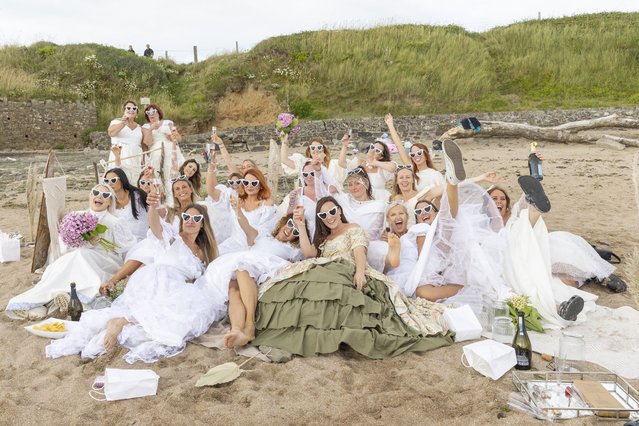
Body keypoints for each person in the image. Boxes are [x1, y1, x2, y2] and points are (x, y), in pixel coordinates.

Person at [251, 196, 453, 359]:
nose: (329, 217)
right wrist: (300, 226)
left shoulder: (352, 228)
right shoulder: (324, 238)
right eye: (324, 215)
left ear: (339, 210)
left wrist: (359, 272)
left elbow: (359, 251)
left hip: (346, 270)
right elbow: (310, 253)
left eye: (332, 211)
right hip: (326, 271)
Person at [46, 197, 222, 364]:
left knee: (179, 320)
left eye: (196, 218)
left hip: (178, 285)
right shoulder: (173, 237)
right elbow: (156, 227)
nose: (190, 221)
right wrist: (152, 206)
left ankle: (120, 324)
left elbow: (210, 275)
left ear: (203, 222)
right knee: (163, 309)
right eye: (186, 217)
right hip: (159, 278)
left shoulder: (204, 251)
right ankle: (121, 321)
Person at [403, 140, 509, 313]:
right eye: (419, 211)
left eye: (427, 208)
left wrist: (480, 178)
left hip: (443, 236)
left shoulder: (426, 196)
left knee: (447, 218)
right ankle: (472, 290)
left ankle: (452, 179)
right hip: (432, 261)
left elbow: (438, 195)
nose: (423, 211)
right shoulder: (405, 216)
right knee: (423, 292)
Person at [6, 184, 136, 319]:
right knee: (62, 266)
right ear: (90, 196)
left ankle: (69, 299)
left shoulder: (115, 222)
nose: (100, 196)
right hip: (78, 256)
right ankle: (45, 301)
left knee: (80, 257)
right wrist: (84, 241)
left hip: (105, 261)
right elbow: (67, 245)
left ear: (110, 202)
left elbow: (126, 249)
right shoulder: (78, 216)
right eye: (96, 192)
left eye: (105, 195)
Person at [489, 185, 627, 294]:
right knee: (560, 282)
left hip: (533, 247)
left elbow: (527, 198)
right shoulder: (483, 222)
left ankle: (600, 275)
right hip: (515, 260)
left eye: (502, 198)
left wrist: (534, 172)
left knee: (558, 259)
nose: (498, 201)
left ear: (507, 202)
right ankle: (588, 278)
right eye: (494, 199)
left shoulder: (514, 213)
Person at [199, 212, 306, 348]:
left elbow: (309, 253)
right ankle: (237, 330)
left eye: (295, 231)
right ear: (283, 223)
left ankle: (250, 326)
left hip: (264, 265)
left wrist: (302, 230)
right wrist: (237, 210)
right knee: (233, 289)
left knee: (242, 268)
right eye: (290, 224)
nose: (289, 230)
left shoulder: (292, 250)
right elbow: (246, 227)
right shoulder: (264, 236)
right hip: (246, 260)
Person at [386, 113, 445, 191]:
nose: (416, 156)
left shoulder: (435, 175)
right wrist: (390, 125)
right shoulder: (411, 171)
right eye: (412, 154)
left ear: (426, 154)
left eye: (419, 153)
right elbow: (399, 147)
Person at [142, 103, 184, 206]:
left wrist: (172, 137)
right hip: (156, 152)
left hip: (171, 149)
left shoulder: (168, 122)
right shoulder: (146, 127)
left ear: (158, 112)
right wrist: (151, 129)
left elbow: (178, 138)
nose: (151, 114)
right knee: (158, 174)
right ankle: (162, 200)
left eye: (154, 112)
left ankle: (175, 200)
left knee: (172, 172)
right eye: (148, 113)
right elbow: (147, 143)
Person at [338, 133, 396, 200]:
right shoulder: (359, 162)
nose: (373, 151)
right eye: (372, 147)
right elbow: (341, 163)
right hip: (360, 199)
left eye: (377, 151)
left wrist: (374, 162)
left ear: (381, 156)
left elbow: (393, 168)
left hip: (378, 199)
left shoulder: (382, 166)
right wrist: (345, 146)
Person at [103, 168, 148, 241]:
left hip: (141, 241)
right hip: (122, 242)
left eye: (113, 180)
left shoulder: (139, 195)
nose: (109, 184)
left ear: (122, 180)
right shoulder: (108, 201)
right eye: (106, 181)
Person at [107, 100, 143, 183]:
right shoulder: (116, 122)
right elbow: (111, 133)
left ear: (137, 112)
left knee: (134, 181)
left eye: (134, 108)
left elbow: (141, 144)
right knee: (119, 180)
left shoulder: (139, 127)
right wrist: (123, 123)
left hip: (135, 157)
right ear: (124, 110)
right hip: (120, 156)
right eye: (128, 108)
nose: (131, 110)